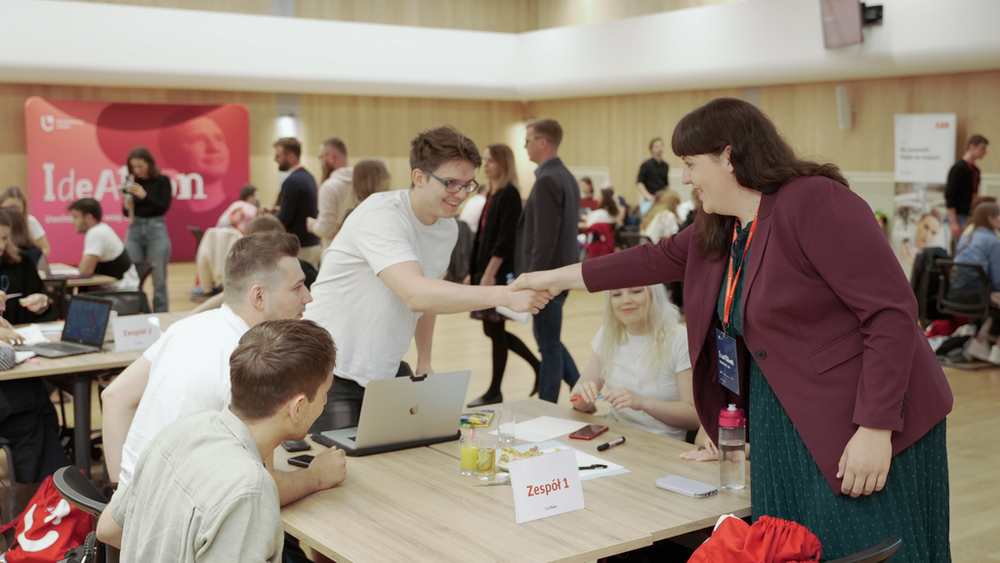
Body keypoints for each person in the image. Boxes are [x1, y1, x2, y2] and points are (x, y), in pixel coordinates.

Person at [512, 97, 953, 562]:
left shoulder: (813, 200)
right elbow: (648, 259)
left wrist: (875, 428)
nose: (683, 177)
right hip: (782, 420)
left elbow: (891, 314)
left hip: (862, 415)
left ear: (728, 156)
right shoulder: (722, 227)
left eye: (690, 164)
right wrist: (549, 279)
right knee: (792, 548)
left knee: (864, 549)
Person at [304, 125, 548, 430]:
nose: (460, 194)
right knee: (343, 470)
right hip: (328, 368)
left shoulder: (446, 229)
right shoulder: (381, 215)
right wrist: (503, 293)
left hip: (383, 369)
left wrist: (425, 360)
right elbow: (416, 293)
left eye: (468, 185)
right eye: (450, 183)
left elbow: (427, 300)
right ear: (419, 177)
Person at [102, 232, 345, 507]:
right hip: (182, 529)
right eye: (298, 286)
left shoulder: (186, 328)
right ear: (259, 296)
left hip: (134, 518)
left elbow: (114, 397)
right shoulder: (251, 360)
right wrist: (317, 477)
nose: (308, 297)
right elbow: (266, 489)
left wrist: (120, 493)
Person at [97, 319, 336, 562]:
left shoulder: (183, 427)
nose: (325, 403)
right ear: (297, 408)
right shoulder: (249, 488)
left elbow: (108, 529)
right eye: (325, 394)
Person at [571, 285, 698, 440]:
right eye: (617, 294)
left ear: (654, 295)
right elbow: (579, 403)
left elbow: (693, 419)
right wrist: (582, 396)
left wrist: (643, 402)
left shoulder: (680, 339)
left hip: (662, 444)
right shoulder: (608, 334)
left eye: (636, 291)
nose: (625, 300)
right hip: (616, 435)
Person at [466, 143, 540, 407]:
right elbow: (481, 238)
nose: (485, 165)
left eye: (490, 160)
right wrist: (471, 272)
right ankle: (536, 368)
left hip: (494, 274)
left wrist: (488, 274)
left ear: (503, 164)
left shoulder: (509, 194)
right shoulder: (493, 194)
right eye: (484, 160)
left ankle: (495, 390)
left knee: (495, 330)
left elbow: (504, 241)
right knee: (493, 330)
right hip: (484, 272)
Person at [516, 118, 581, 404]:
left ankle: (547, 405)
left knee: (548, 344)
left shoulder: (548, 180)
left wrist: (534, 281)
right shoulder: (565, 176)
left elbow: (543, 239)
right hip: (561, 272)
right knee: (550, 339)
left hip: (548, 277)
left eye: (528, 140)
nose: (525, 146)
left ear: (542, 142)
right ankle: (581, 390)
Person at [0, 211, 67, 483]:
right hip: (11, 373)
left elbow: (41, 316)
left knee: (34, 409)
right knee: (34, 410)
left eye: (4, 238)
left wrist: (42, 304)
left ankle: (49, 495)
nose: (1, 245)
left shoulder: (21, 262)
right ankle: (52, 494)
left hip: (21, 362)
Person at [123, 146, 173, 312]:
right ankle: (136, 311)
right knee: (132, 275)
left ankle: (161, 314)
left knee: (158, 278)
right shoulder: (131, 181)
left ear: (149, 164)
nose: (137, 170)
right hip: (135, 228)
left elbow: (163, 207)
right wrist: (126, 205)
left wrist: (145, 196)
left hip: (156, 228)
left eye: (140, 166)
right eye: (133, 167)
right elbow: (125, 212)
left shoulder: (162, 181)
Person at [949, 202, 1000, 362]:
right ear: (991, 218)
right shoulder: (993, 241)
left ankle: (981, 341)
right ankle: (997, 350)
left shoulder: (965, 236)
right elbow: (997, 279)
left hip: (955, 295)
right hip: (978, 295)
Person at [67, 198, 139, 290]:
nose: (72, 222)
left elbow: (85, 272)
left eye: (75, 217)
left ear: (89, 218)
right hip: (118, 289)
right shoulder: (101, 229)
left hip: (122, 293)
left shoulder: (96, 232)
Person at [274, 137, 321, 267]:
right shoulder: (309, 177)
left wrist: (270, 220)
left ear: (291, 156)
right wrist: (277, 210)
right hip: (312, 243)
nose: (275, 160)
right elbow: (302, 209)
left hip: (301, 247)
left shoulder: (292, 182)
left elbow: (285, 218)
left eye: (279, 156)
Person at [307, 137, 353, 249]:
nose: (321, 163)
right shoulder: (361, 182)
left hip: (335, 250)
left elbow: (327, 229)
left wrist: (313, 225)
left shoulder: (329, 186)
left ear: (331, 156)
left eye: (321, 158)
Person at [945, 134, 989, 239]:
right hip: (958, 215)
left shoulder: (976, 171)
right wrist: (953, 222)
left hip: (969, 214)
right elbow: (949, 195)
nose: (985, 152)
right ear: (972, 147)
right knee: (959, 247)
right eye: (982, 148)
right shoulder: (958, 168)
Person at [0, 186, 51, 257]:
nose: (14, 211)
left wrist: (29, 259)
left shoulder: (30, 221)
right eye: (9, 207)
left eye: (17, 208)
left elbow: (45, 248)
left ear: (24, 208)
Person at [636, 137, 670, 204]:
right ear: (651, 149)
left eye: (661, 146)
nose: (660, 148)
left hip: (662, 198)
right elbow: (640, 182)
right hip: (651, 198)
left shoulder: (665, 165)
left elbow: (666, 184)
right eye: (657, 146)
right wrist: (648, 196)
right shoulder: (646, 164)